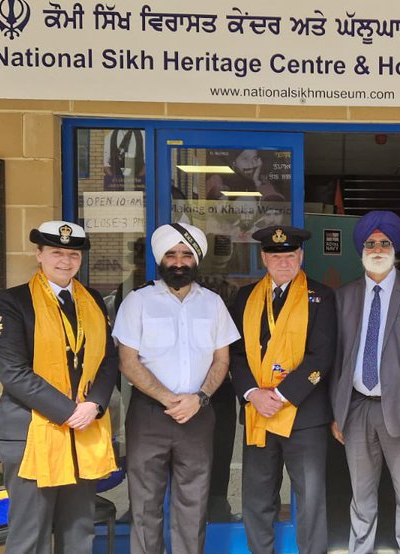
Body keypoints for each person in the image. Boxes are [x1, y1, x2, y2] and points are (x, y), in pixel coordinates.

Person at [0, 220, 118, 554]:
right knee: (31, 532)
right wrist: (69, 411)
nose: (66, 260)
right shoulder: (14, 302)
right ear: (39, 255)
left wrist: (95, 405)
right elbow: (13, 372)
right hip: (30, 430)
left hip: (83, 428)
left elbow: (107, 361)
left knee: (79, 530)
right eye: (57, 252)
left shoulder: (93, 302)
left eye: (73, 254)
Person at [112, 223, 240, 554]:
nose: (179, 261)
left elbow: (222, 361)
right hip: (150, 414)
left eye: (186, 254)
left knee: (193, 505)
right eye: (171, 254)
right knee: (144, 505)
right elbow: (127, 362)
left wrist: (197, 399)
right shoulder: (137, 301)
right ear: (161, 259)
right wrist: (170, 399)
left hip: (198, 415)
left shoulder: (212, 303)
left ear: (196, 260)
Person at [330, 211, 400, 554]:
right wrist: (338, 411)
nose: (377, 248)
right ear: (361, 249)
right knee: (361, 494)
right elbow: (338, 358)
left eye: (384, 242)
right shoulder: (345, 295)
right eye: (371, 243)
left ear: (395, 248)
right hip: (357, 407)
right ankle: (360, 549)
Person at [228, 225, 337, 554]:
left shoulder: (321, 296)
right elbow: (234, 353)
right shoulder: (245, 298)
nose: (284, 262)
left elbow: (323, 354)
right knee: (257, 499)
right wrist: (253, 394)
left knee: (310, 501)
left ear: (301, 256)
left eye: (290, 255)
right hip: (258, 413)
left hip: (303, 416)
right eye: (276, 256)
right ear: (264, 257)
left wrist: (281, 396)